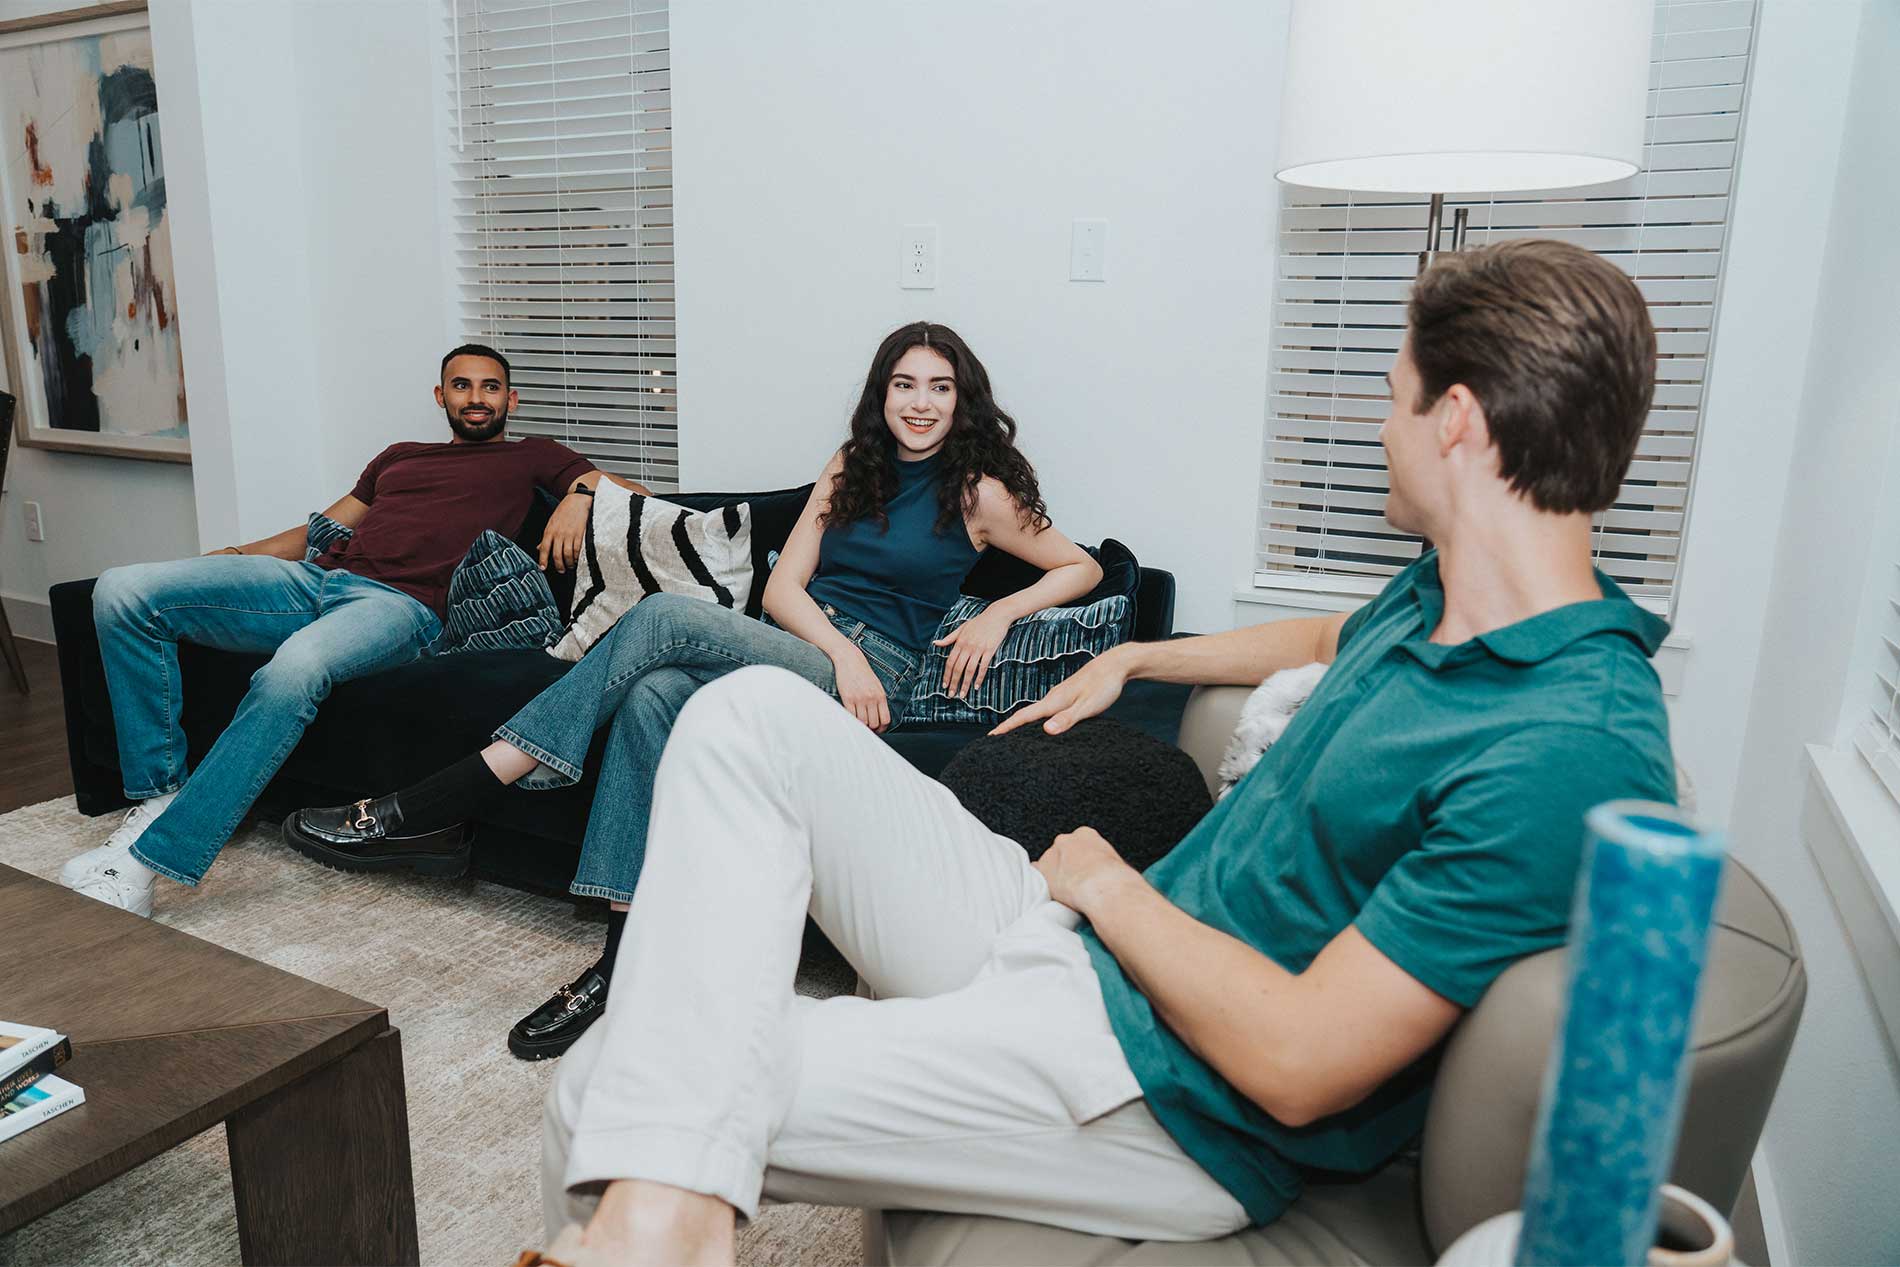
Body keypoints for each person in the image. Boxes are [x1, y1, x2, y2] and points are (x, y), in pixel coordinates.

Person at [528, 239, 1680, 1266]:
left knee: (608, 1089)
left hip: (1158, 1089)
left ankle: (659, 1224)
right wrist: (1140, 658)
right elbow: (1325, 635)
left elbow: (1300, 1060)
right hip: (1075, 946)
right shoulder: (1444, 592)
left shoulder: (1566, 742)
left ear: (1459, 422)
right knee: (745, 719)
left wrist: (1108, 886)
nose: (1377, 427)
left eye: (1392, 398)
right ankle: (673, 1213)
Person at [284, 321, 1103, 1061]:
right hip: (807, 645)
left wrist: (1001, 611)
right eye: (904, 384)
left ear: (963, 400)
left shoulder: (979, 492)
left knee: (666, 616)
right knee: (651, 697)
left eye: (939, 387)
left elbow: (1084, 566)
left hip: (875, 677)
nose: (919, 404)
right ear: (880, 394)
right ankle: (620, 965)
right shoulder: (852, 467)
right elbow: (784, 588)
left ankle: (450, 794)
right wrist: (834, 652)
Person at [62, 344, 644, 919]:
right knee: (122, 590)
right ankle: (158, 791)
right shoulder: (399, 457)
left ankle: (151, 861)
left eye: (490, 387)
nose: (476, 398)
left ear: (510, 399)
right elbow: (321, 528)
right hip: (315, 583)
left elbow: (634, 497)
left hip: (403, 608)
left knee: (291, 671)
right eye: (462, 386)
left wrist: (580, 493)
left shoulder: (532, 456)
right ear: (441, 396)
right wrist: (236, 558)